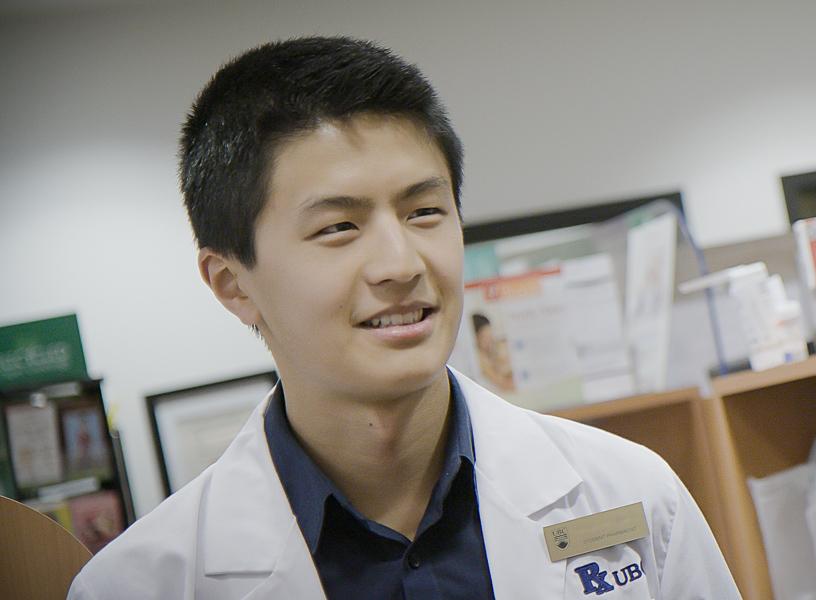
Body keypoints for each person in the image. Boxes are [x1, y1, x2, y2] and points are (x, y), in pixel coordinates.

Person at [70, 37, 738, 599]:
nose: (400, 262)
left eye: (424, 212)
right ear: (232, 283)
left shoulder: (627, 492)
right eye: (338, 226)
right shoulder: (143, 582)